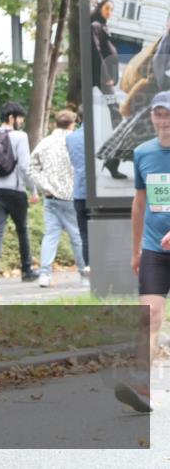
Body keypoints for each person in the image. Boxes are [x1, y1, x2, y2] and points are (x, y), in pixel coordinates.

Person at [114, 91, 170, 413]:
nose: (163, 121)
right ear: (151, 117)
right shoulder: (142, 153)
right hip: (154, 250)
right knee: (149, 317)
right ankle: (141, 385)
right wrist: (136, 250)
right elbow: (139, 203)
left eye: (168, 114)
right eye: (158, 114)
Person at [98, 14, 170, 178]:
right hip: (158, 93)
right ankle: (113, 159)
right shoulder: (168, 39)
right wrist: (164, 90)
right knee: (139, 129)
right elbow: (159, 64)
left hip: (158, 92)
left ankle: (114, 160)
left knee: (139, 129)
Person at [28, 110, 87, 287]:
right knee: (77, 236)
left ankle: (44, 275)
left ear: (55, 123)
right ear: (73, 123)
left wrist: (45, 185)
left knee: (50, 235)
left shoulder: (45, 142)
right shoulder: (76, 140)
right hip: (72, 195)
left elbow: (31, 168)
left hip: (50, 196)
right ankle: (84, 274)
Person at [0, 101, 39, 280]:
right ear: (11, 118)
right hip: (15, 191)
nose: (22, 122)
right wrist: (33, 190)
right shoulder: (20, 136)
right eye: (20, 118)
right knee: (22, 229)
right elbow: (25, 166)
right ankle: (27, 270)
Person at [89, 0, 127, 179]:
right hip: (103, 81)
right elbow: (96, 53)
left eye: (111, 9)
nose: (109, 12)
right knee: (118, 117)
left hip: (106, 81)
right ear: (99, 8)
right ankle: (112, 161)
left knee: (117, 118)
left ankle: (112, 161)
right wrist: (106, 77)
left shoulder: (102, 26)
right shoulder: (95, 26)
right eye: (106, 8)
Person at [66, 106, 90, 269]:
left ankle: (89, 266)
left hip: (79, 191)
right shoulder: (99, 135)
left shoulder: (70, 138)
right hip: (98, 192)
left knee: (85, 235)